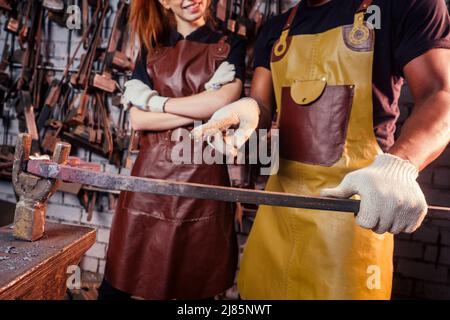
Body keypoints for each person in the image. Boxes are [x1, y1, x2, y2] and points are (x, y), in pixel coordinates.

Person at [232, 0, 450, 299]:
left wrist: (399, 166)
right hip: (278, 211)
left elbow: (440, 95)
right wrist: (247, 110)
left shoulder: (405, 5)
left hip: (352, 215)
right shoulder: (275, 30)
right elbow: (262, 104)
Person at [98, 0, 249, 300]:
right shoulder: (151, 47)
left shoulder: (231, 44)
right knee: (117, 288)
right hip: (149, 185)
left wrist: (157, 103)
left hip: (203, 185)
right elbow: (138, 119)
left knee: (197, 290)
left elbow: (224, 102)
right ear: (164, 2)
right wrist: (201, 108)